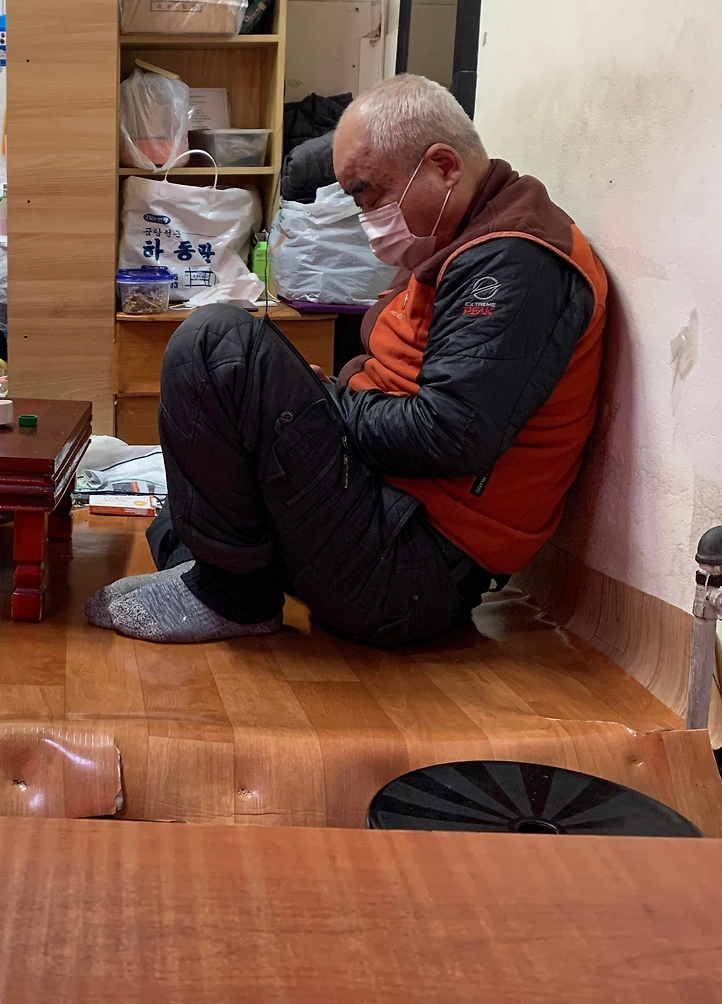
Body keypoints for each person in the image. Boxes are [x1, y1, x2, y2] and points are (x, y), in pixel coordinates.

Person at [87, 74, 608, 647]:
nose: (365, 217)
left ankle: (232, 598)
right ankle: (227, 578)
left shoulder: (516, 261)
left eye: (370, 194)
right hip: (386, 511)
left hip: (415, 565)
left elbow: (450, 433)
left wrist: (328, 401)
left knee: (215, 343)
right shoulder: (463, 239)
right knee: (184, 514)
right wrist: (333, 393)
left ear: (444, 166)